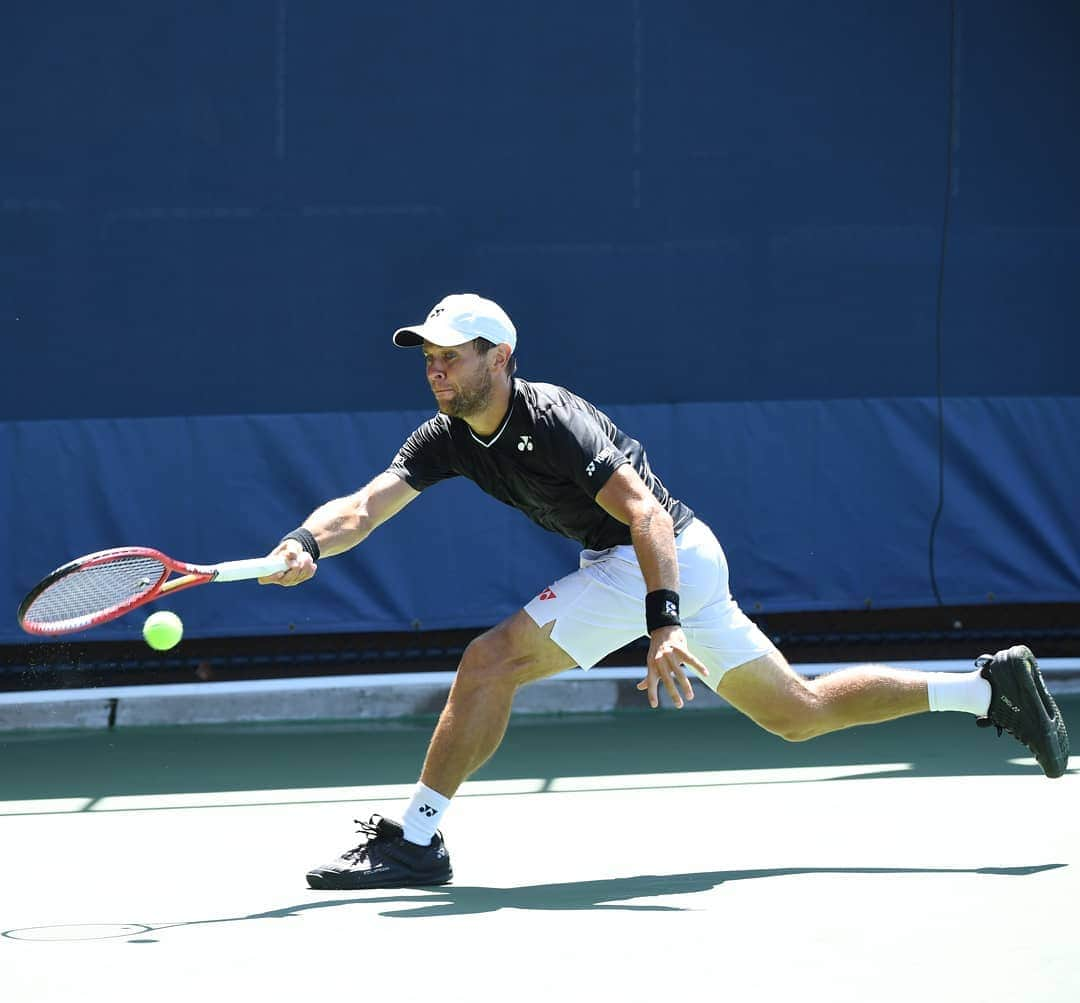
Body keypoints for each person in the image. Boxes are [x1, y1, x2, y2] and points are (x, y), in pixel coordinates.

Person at [261, 292, 1071, 890]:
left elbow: (643, 512)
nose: (434, 365)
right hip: (668, 562)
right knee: (800, 712)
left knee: (488, 661)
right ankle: (985, 687)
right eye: (428, 353)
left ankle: (416, 840)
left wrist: (664, 623)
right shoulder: (446, 437)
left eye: (452, 351)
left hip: (655, 557)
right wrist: (304, 541)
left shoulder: (553, 421)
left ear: (499, 357)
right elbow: (365, 506)